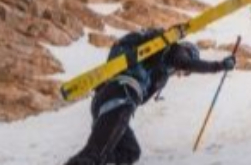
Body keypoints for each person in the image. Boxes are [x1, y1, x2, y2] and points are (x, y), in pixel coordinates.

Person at [64, 30, 235, 165]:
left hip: (110, 99)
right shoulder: (175, 51)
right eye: (186, 71)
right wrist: (219, 66)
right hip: (122, 94)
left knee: (130, 152)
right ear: (188, 53)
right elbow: (185, 62)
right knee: (94, 154)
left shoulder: (158, 69)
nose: (182, 74)